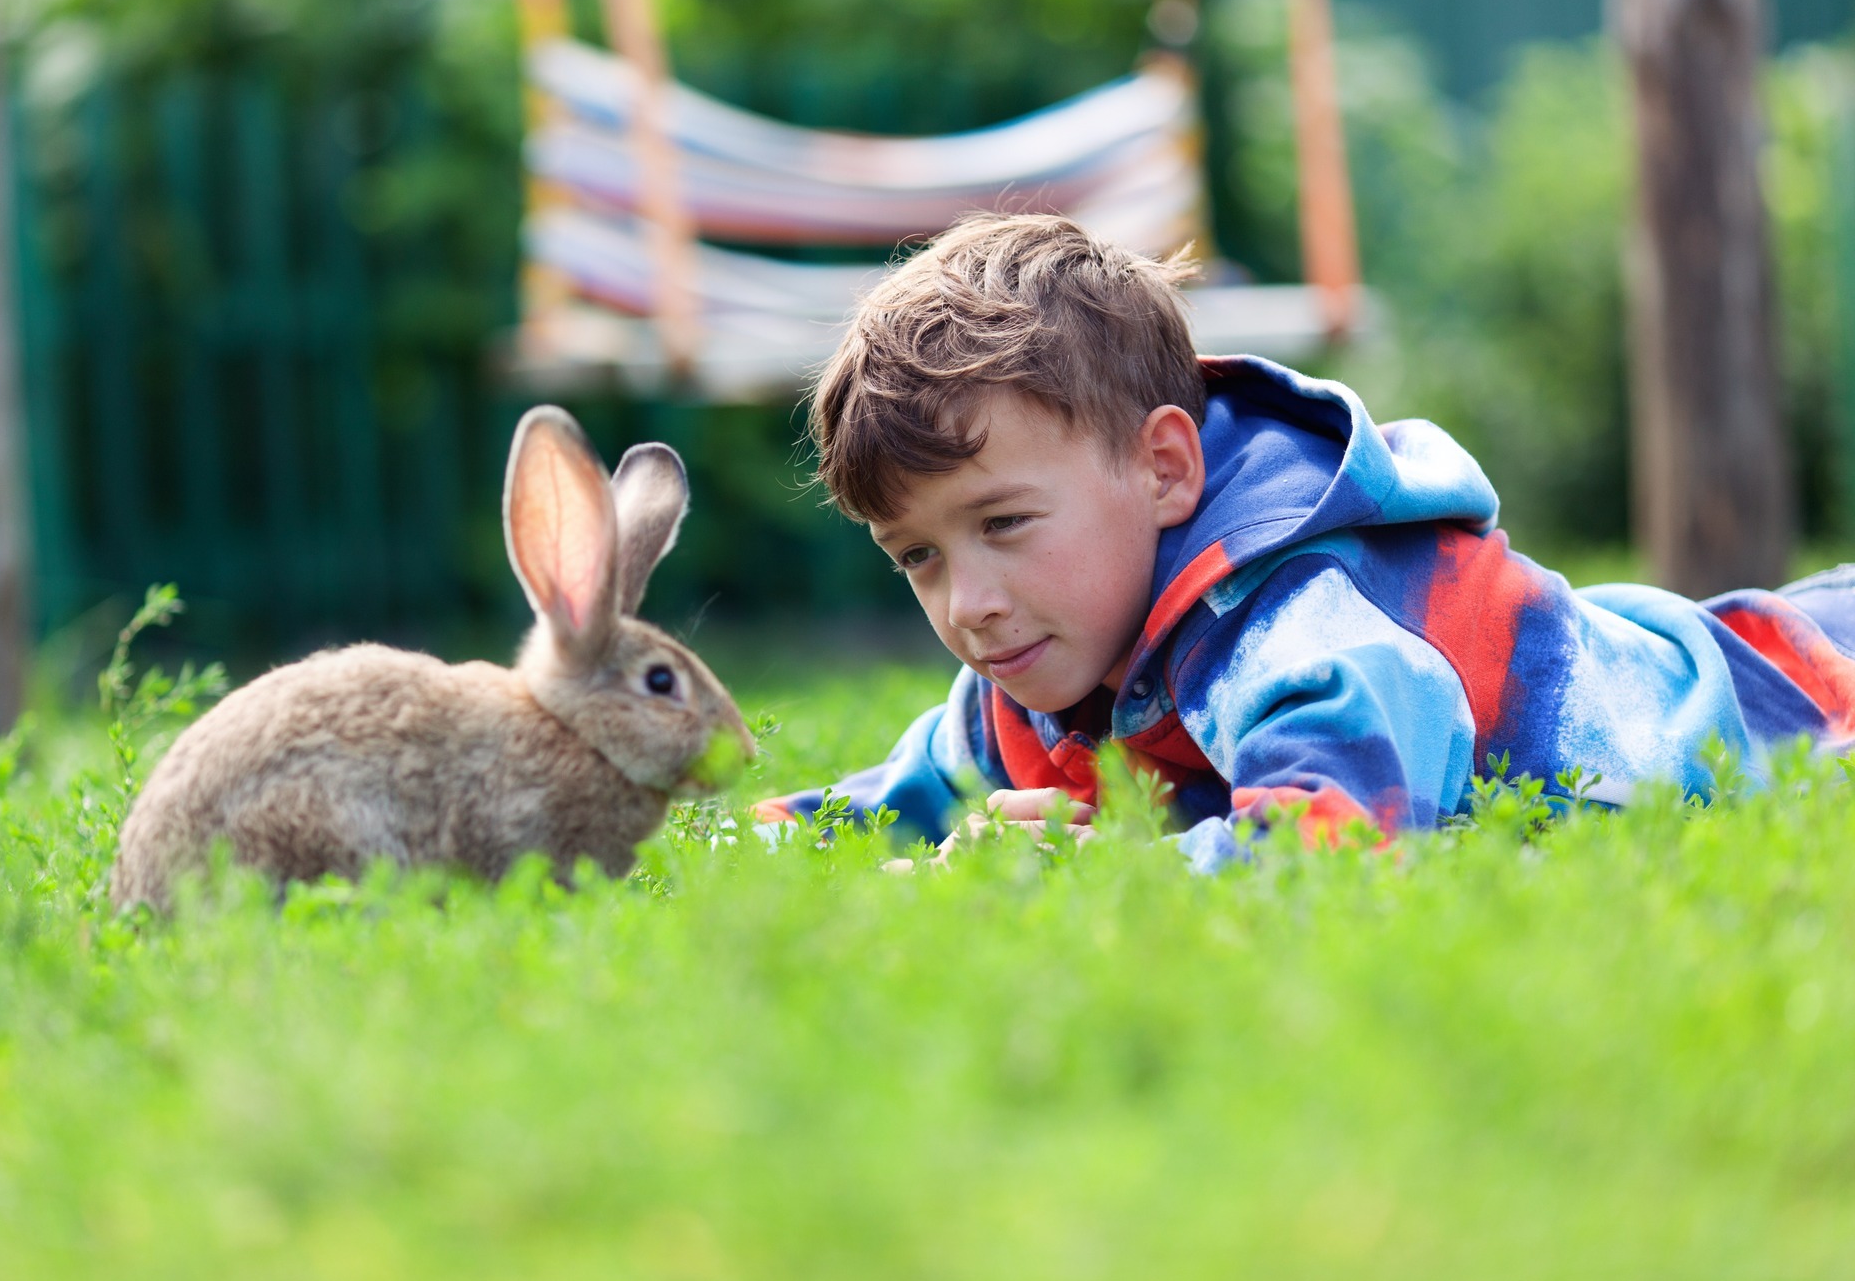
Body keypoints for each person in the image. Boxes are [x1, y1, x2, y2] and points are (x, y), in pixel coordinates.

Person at [752, 212, 1855, 870]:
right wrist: (667, 838)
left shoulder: (1295, 620)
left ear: (1164, 468)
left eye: (1002, 525)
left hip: (1781, 692)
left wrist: (1105, 874)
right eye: (919, 557)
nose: (969, 603)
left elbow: (1334, 839)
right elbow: (873, 812)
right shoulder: (1036, 669)